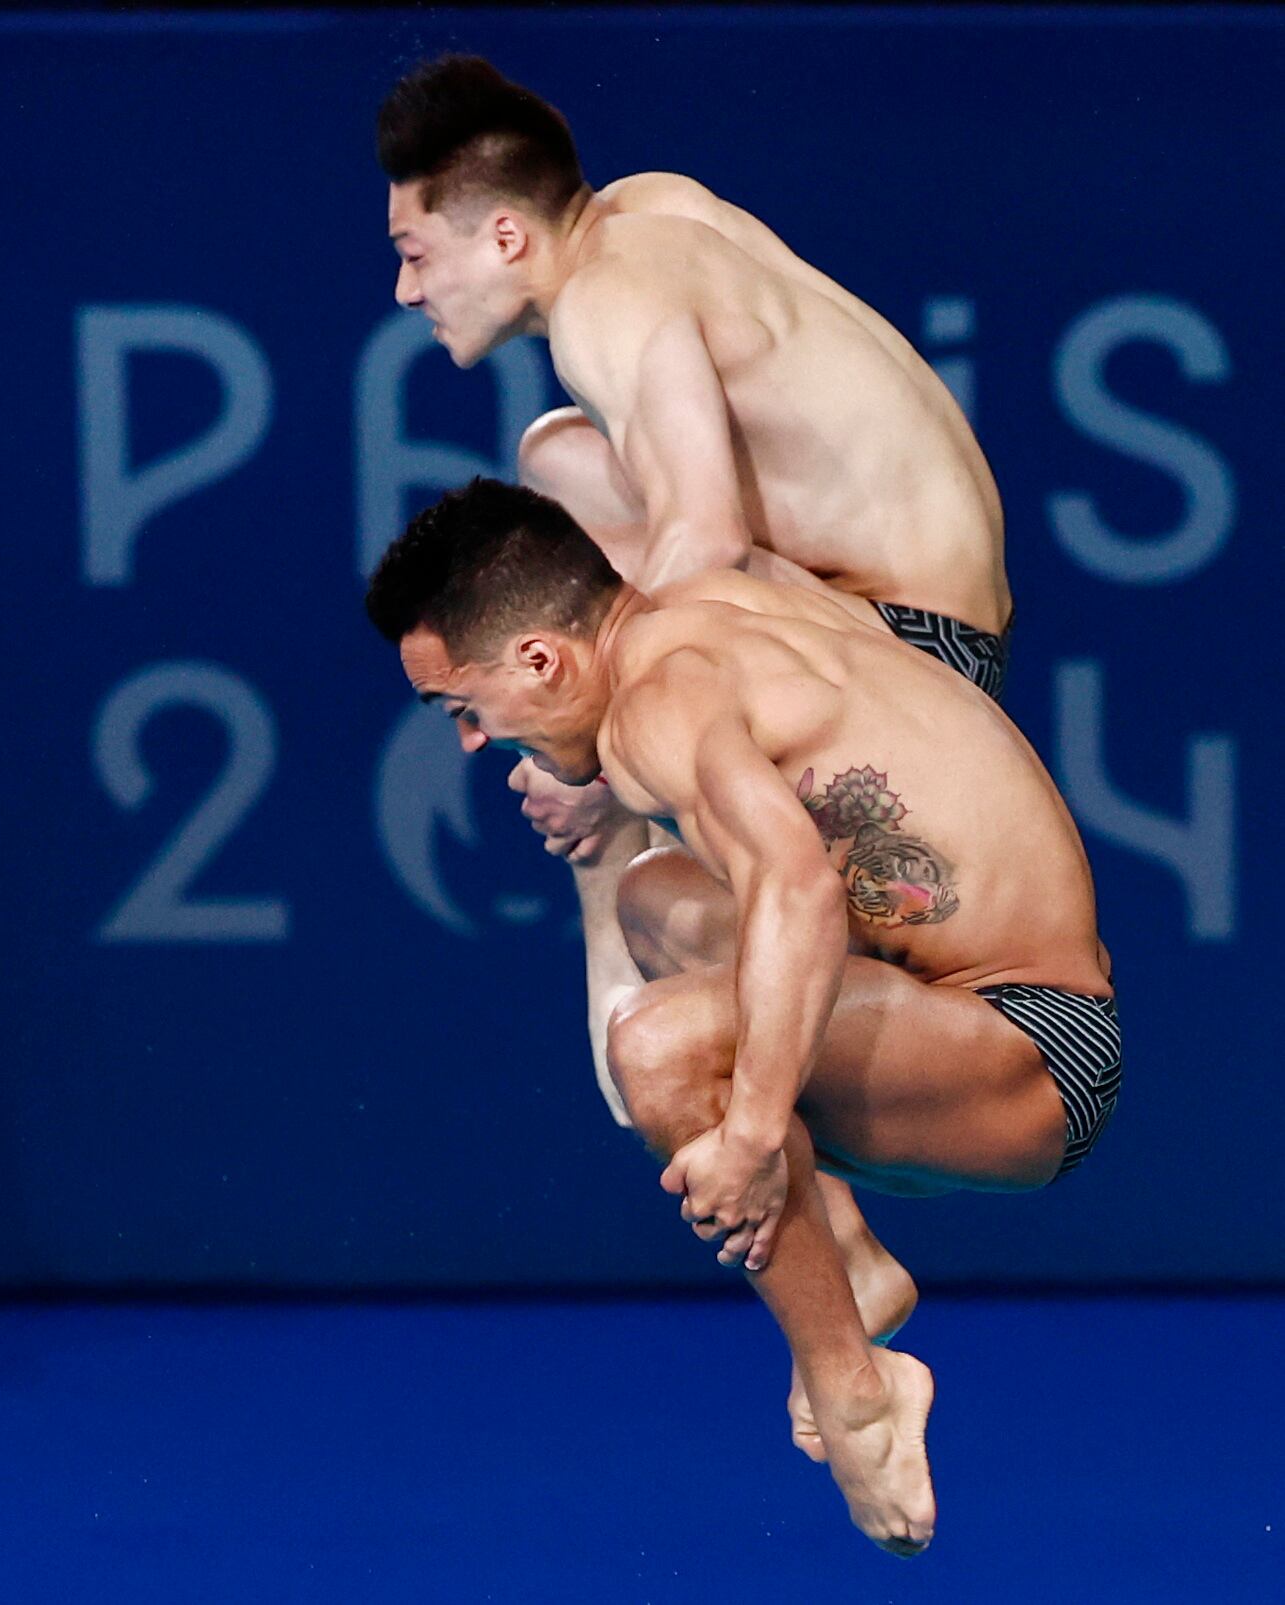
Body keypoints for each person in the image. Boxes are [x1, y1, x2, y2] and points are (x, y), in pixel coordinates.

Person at [364, 480, 1123, 1557]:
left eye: (462, 707)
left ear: (542, 658)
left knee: (660, 1049)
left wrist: (757, 1136)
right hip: (971, 1012)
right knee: (652, 900)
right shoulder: (709, 607)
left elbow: (799, 889)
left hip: (1027, 1048)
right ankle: (852, 1259)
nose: (474, 743)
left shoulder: (653, 703)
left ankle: (858, 1393)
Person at [375, 59, 1020, 1286]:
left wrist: (604, 763)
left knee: (570, 563)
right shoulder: (652, 207)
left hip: (897, 651)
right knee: (563, 461)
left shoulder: (602, 306)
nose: (405, 287)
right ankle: (807, 1176)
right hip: (913, 625)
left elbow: (707, 538)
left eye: (415, 253)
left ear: (502, 231)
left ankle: (608, 888)